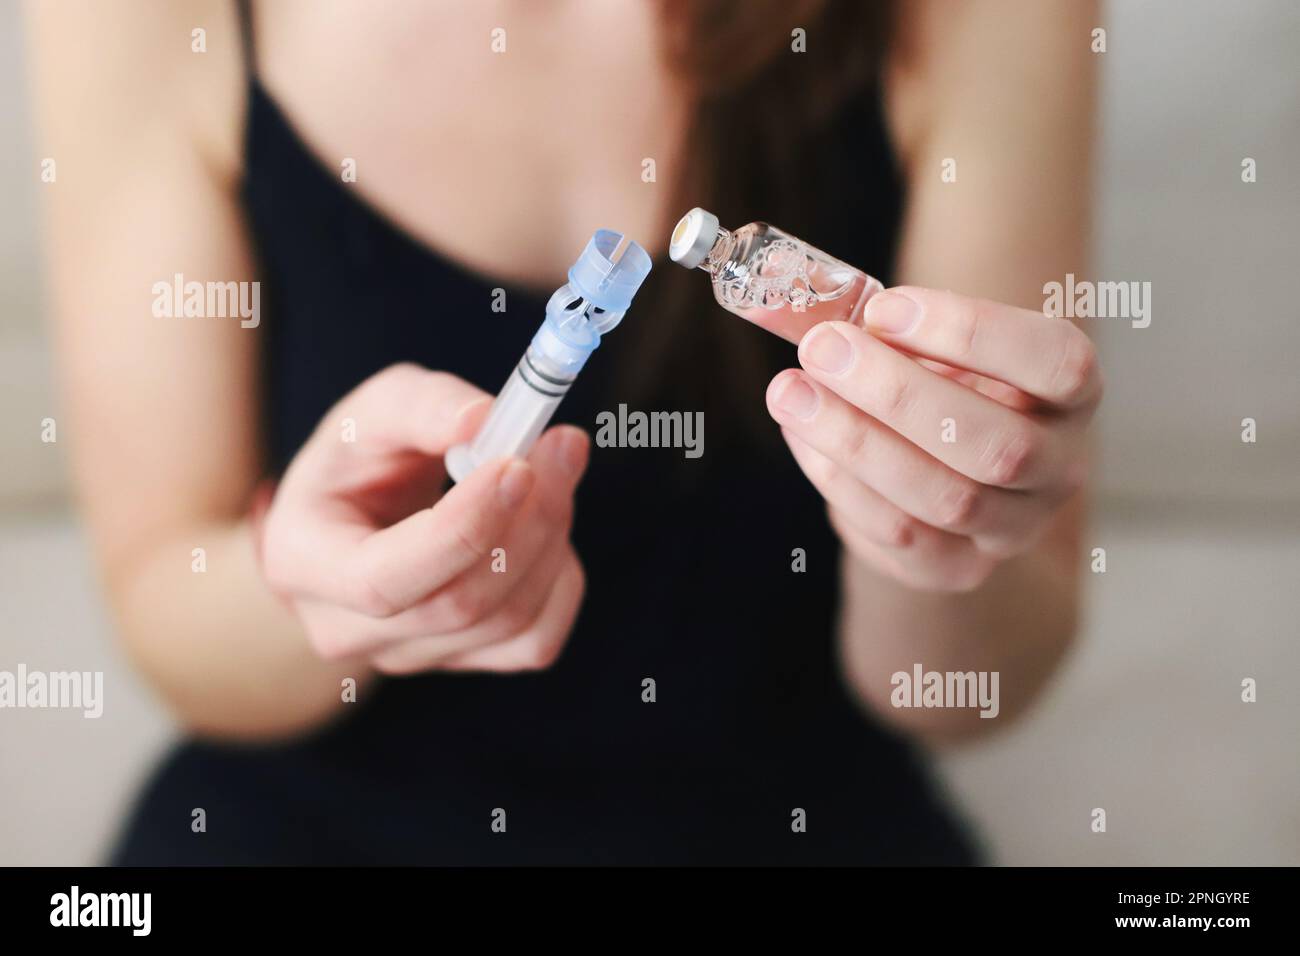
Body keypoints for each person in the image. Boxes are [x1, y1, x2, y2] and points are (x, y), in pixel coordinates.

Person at [27, 0, 1100, 864]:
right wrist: (324, 594)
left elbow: (983, 684)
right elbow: (169, 607)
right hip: (315, 819)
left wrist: (928, 528)